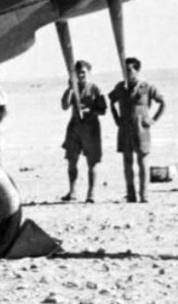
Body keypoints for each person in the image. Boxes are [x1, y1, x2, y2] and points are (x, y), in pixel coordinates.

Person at [108, 57, 166, 202]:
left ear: (137, 70)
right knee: (127, 162)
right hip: (125, 127)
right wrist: (116, 119)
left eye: (129, 70)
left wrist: (153, 120)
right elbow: (111, 101)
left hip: (141, 128)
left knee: (142, 161)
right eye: (124, 71)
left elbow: (163, 102)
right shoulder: (120, 87)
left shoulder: (147, 87)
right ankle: (131, 194)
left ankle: (144, 194)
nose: (127, 74)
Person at [60, 59, 107, 202]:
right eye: (78, 73)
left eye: (83, 72)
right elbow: (64, 106)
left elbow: (103, 109)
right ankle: (72, 191)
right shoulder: (72, 88)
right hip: (74, 127)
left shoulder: (95, 89)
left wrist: (90, 110)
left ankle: (91, 194)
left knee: (92, 162)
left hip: (90, 128)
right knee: (71, 160)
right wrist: (69, 89)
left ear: (88, 73)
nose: (81, 76)